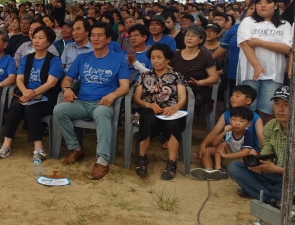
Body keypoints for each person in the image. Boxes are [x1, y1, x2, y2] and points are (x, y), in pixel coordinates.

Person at [53, 23, 130, 180]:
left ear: (108, 38)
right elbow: (67, 79)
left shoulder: (119, 59)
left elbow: (125, 87)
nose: (95, 38)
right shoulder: (82, 58)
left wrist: (112, 95)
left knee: (101, 113)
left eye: (99, 35)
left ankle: (102, 161)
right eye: (93, 35)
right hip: (82, 102)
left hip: (103, 103)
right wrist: (66, 89)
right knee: (59, 110)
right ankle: (75, 149)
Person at [0, 26, 63, 159]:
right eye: (34, 37)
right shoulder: (27, 59)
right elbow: (19, 79)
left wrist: (31, 94)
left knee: (31, 110)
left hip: (46, 97)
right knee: (14, 107)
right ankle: (6, 145)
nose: (36, 41)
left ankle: (38, 148)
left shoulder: (54, 60)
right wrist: (25, 92)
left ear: (48, 42)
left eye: (40, 38)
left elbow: (51, 83)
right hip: (26, 94)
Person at [228, 86, 293, 209]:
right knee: (235, 167)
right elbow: (266, 154)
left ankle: (258, 191)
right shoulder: (270, 126)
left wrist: (278, 170)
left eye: (286, 104)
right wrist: (261, 165)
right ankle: (273, 198)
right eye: (276, 103)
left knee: (291, 187)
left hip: (289, 177)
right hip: (273, 174)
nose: (280, 109)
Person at [132, 44, 188, 180]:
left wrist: (174, 108)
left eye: (159, 57)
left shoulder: (176, 76)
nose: (155, 60)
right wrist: (149, 104)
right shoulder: (145, 76)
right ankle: (142, 158)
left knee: (173, 123)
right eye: (152, 58)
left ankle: (172, 162)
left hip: (170, 110)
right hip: (149, 109)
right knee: (148, 120)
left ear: (167, 59)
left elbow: (183, 98)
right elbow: (137, 99)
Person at [237, 0, 293, 123]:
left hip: (273, 73)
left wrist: (260, 42)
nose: (263, 6)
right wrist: (256, 65)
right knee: (248, 108)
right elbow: (245, 45)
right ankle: (248, 140)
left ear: (275, 6)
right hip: (249, 72)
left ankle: (264, 139)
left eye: (267, 2)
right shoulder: (248, 21)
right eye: (259, 3)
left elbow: (287, 48)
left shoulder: (285, 25)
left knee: (267, 109)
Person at [192, 106, 257, 181]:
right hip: (228, 159)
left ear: (248, 124)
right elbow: (214, 143)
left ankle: (246, 174)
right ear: (230, 120)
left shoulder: (247, 135)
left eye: (241, 121)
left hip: (241, 162)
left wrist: (226, 155)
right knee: (210, 149)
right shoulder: (229, 132)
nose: (237, 123)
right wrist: (223, 132)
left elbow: (245, 152)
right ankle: (213, 170)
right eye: (234, 120)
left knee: (252, 152)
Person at [170, 24, 219, 117]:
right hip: (176, 89)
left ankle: (179, 128)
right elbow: (168, 73)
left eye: (193, 36)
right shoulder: (176, 54)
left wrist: (200, 82)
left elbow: (214, 77)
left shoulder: (205, 56)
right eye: (187, 35)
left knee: (181, 103)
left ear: (201, 40)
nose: (189, 38)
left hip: (196, 90)